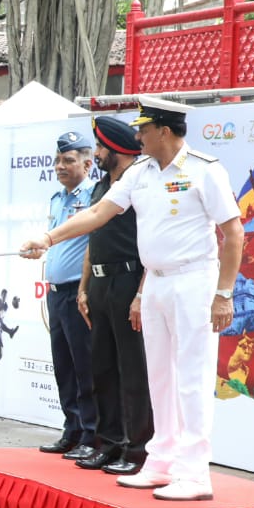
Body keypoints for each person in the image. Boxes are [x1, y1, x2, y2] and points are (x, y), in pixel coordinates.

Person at [21, 95, 244, 502]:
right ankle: (160, 461)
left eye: (143, 129)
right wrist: (48, 238)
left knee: (191, 378)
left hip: (194, 281)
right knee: (157, 374)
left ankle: (194, 472)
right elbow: (97, 215)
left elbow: (234, 233)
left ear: (164, 130)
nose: (137, 136)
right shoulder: (141, 172)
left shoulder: (204, 170)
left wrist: (224, 295)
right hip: (155, 281)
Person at [74, 115, 153, 475]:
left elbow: (152, 244)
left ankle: (136, 450)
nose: (96, 154)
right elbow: (94, 237)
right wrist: (84, 287)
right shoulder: (100, 186)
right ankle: (107, 443)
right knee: (102, 367)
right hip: (101, 283)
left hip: (128, 279)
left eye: (101, 148)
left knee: (131, 370)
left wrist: (140, 292)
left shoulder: (139, 184)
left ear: (117, 150)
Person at [37, 130, 98, 461]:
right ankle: (71, 429)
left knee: (84, 364)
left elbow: (91, 243)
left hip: (79, 291)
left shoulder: (94, 198)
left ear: (87, 164)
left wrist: (85, 290)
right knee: (63, 364)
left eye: (69, 160)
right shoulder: (57, 199)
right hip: (56, 294)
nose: (61, 165)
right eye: (58, 160)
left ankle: (91, 433)